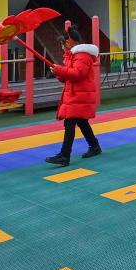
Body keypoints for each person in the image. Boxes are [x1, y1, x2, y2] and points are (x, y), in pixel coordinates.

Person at [45, 27, 101, 167]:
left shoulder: (81, 56)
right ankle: (94, 146)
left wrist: (59, 70)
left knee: (69, 123)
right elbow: (68, 77)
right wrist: (58, 72)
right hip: (77, 94)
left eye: (63, 44)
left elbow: (77, 74)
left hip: (79, 94)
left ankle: (65, 155)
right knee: (82, 122)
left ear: (69, 42)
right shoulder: (75, 56)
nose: (62, 47)